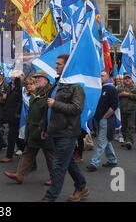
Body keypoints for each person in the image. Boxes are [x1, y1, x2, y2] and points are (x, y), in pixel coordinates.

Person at [40, 54, 88, 202]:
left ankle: (50, 197)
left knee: (59, 165)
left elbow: (77, 108)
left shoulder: (76, 86)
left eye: (59, 64)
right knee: (68, 162)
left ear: (67, 66)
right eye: (57, 64)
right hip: (55, 130)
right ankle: (81, 186)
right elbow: (47, 108)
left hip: (67, 131)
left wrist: (56, 104)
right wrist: (44, 127)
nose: (56, 66)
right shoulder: (57, 83)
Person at [4, 71, 54, 185]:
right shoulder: (36, 93)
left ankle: (55, 177)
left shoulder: (50, 92)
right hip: (33, 128)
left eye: (39, 78)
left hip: (44, 129)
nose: (36, 80)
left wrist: (43, 127)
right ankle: (19, 175)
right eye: (35, 78)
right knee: (28, 152)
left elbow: (49, 112)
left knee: (50, 155)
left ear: (46, 80)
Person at [86, 71, 119, 172]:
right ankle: (112, 160)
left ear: (108, 77)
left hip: (106, 120)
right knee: (106, 140)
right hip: (97, 119)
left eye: (102, 76)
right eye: (99, 75)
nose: (100, 77)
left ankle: (94, 162)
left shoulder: (111, 88)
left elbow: (114, 105)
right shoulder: (99, 88)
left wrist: (105, 116)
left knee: (101, 141)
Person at [0, 70, 24, 163]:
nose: (13, 78)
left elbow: (20, 101)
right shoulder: (10, 86)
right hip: (10, 114)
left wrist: (16, 113)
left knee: (12, 135)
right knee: (16, 136)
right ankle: (26, 153)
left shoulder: (21, 88)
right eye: (12, 76)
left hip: (16, 115)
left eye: (15, 76)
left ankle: (9, 155)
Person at [117, 74, 136, 150]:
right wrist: (120, 95)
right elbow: (114, 96)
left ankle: (129, 141)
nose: (127, 80)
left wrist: (128, 94)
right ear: (123, 80)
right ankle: (125, 139)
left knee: (130, 126)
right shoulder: (119, 87)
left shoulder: (135, 87)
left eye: (128, 78)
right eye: (125, 78)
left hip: (132, 109)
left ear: (131, 79)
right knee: (123, 127)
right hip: (122, 109)